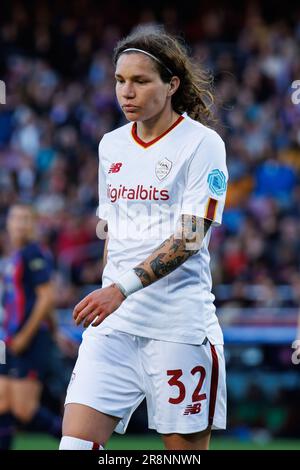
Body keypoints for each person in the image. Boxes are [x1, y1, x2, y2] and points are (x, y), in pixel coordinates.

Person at [60, 27, 228, 451]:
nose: (126, 92)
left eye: (140, 80)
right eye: (120, 80)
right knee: (75, 446)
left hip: (177, 329)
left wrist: (122, 288)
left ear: (171, 84)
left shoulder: (203, 144)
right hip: (113, 328)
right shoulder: (111, 146)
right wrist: (108, 290)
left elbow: (191, 237)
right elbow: (112, 232)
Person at [0, 203, 62, 450]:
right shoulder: (14, 256)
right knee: (2, 403)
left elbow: (47, 297)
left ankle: (80, 441)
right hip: (8, 339)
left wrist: (26, 335)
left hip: (29, 338)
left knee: (25, 410)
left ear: (33, 224)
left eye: (26, 219)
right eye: (16, 218)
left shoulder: (33, 253)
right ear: (8, 223)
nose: (20, 223)